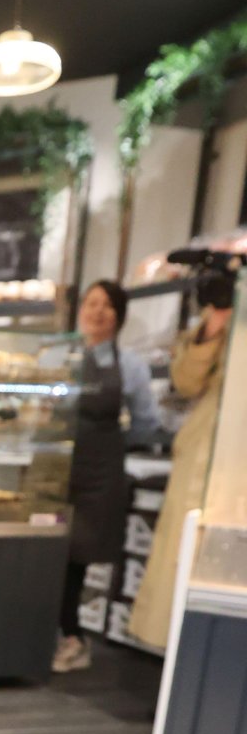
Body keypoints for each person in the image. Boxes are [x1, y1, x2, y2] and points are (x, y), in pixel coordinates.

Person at [54, 278, 163, 673]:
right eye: (91, 302)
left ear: (119, 315)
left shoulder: (130, 364)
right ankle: (51, 635)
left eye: (107, 305)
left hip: (98, 474)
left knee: (75, 558)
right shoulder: (61, 355)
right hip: (55, 470)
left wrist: (111, 444)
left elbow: (147, 423)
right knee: (49, 553)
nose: (96, 311)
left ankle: (72, 639)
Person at [128, 275, 233, 652]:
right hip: (212, 454)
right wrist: (217, 321)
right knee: (190, 560)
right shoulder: (232, 302)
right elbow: (185, 381)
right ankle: (185, 669)